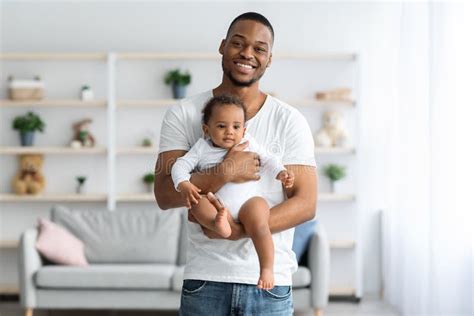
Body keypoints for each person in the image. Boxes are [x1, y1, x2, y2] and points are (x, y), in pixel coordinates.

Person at [155, 12, 318, 316]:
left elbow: (306, 203)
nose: (247, 54)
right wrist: (226, 171)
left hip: (270, 285)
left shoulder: (289, 120)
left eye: (259, 48)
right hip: (205, 281)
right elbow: (165, 194)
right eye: (238, 43)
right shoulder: (184, 114)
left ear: (269, 59)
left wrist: (239, 230)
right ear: (222, 46)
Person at [171, 94, 295, 290]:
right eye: (221, 126)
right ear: (206, 129)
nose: (230, 132)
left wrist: (280, 172)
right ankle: (218, 224)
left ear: (244, 130)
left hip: (247, 203)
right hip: (215, 203)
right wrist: (184, 184)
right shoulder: (202, 147)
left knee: (260, 219)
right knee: (197, 202)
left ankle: (267, 269)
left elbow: (268, 158)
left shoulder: (247, 142)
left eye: (236, 127)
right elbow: (179, 166)